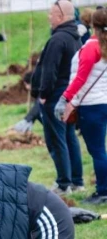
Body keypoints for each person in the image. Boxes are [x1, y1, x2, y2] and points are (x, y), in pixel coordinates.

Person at [32, 0, 83, 195]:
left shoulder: (57, 40)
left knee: (56, 139)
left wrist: (44, 94)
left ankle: (63, 183)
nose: (48, 17)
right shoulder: (74, 37)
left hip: (55, 96)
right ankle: (77, 181)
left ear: (60, 17)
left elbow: (49, 70)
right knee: (70, 137)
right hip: (69, 95)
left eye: (51, 14)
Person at [59, 9, 107, 204]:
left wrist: (66, 98)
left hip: (91, 106)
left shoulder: (91, 48)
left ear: (92, 25)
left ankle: (103, 191)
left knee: (97, 150)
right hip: (104, 102)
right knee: (100, 150)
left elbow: (81, 78)